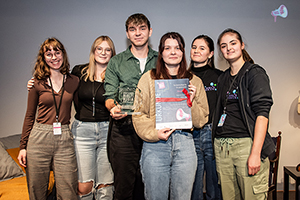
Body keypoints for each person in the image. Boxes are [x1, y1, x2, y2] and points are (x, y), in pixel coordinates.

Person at [132, 32, 209, 200]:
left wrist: (193, 100)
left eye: (177, 48)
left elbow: (202, 120)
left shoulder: (194, 81)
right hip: (156, 145)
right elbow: (138, 114)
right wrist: (154, 134)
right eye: (168, 48)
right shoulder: (148, 79)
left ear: (183, 52)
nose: (173, 52)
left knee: (182, 197)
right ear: (161, 53)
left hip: (186, 145)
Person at [212, 28, 275, 199]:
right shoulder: (223, 78)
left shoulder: (254, 73)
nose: (228, 48)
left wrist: (255, 153)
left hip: (246, 146)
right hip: (222, 148)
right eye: (223, 46)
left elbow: (262, 114)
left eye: (233, 43)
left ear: (241, 45)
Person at [104, 13, 158, 200]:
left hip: (153, 129)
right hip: (124, 130)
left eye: (142, 28)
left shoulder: (161, 60)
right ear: (127, 34)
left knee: (151, 185)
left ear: (150, 31)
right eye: (133, 29)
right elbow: (109, 96)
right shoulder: (116, 62)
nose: (138, 33)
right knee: (124, 186)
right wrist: (113, 108)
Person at [18, 37, 79, 200]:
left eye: (57, 52)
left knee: (68, 191)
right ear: (43, 58)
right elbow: (30, 115)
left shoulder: (74, 81)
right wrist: (23, 146)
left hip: (64, 137)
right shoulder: (36, 83)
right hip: (39, 138)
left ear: (63, 54)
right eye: (49, 54)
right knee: (37, 190)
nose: (54, 57)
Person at [71, 36, 116, 200]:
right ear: (93, 51)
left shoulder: (114, 75)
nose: (103, 53)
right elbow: (62, 87)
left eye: (108, 49)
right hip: (82, 132)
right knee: (84, 186)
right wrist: (37, 82)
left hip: (107, 131)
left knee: (105, 185)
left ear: (112, 53)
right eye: (99, 48)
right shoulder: (79, 71)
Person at [189, 35, 223, 200]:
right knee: (193, 181)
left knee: (213, 180)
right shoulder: (183, 76)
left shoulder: (219, 76)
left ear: (210, 54)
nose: (196, 51)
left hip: (211, 133)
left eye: (202, 48)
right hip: (190, 133)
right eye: (194, 47)